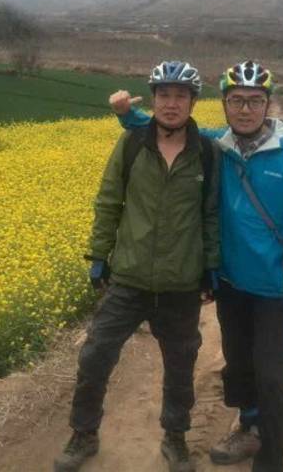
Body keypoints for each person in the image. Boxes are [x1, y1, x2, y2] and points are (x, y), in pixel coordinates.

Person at [110, 60, 283, 472]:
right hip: (231, 283)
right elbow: (167, 125)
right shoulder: (217, 147)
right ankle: (249, 426)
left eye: (254, 101)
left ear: (267, 104)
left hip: (277, 290)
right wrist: (126, 114)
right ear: (224, 104)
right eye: (236, 100)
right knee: (239, 365)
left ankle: (272, 461)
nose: (245, 109)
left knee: (270, 376)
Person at [54, 61, 221, 472]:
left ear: (193, 103)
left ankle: (175, 438)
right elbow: (109, 201)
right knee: (95, 356)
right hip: (129, 277)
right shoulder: (131, 145)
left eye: (180, 96)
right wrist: (99, 256)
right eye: (164, 95)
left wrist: (210, 268)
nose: (171, 103)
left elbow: (211, 216)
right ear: (154, 99)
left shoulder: (207, 153)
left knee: (180, 365)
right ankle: (83, 434)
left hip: (181, 283)